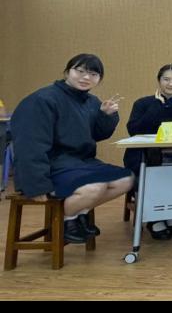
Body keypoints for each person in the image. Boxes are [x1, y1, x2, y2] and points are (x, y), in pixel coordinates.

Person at [10, 53, 134, 244]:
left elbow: (98, 135)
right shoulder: (42, 99)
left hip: (80, 163)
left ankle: (78, 213)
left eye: (93, 74)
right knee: (95, 187)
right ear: (67, 72)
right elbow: (29, 145)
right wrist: (36, 184)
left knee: (127, 179)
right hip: (52, 165)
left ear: (99, 79)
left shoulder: (91, 101)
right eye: (80, 71)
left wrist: (106, 115)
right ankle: (64, 221)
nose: (86, 77)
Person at [123, 64, 172, 240]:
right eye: (166, 79)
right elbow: (134, 129)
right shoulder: (143, 103)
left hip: (169, 155)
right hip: (141, 155)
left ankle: (168, 212)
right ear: (159, 81)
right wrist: (157, 106)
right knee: (152, 174)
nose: (171, 84)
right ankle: (153, 218)